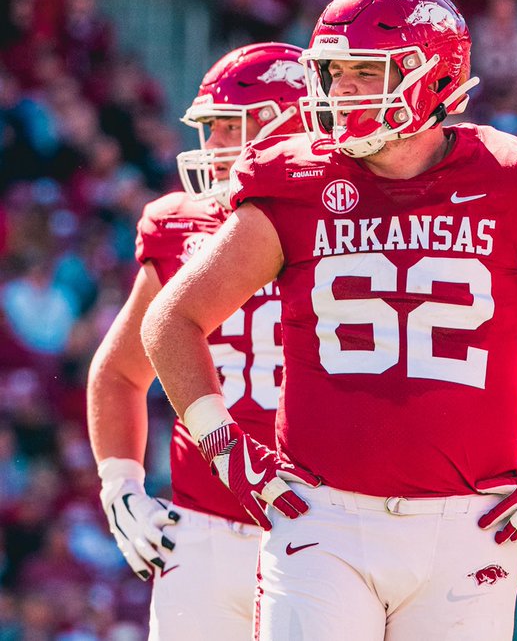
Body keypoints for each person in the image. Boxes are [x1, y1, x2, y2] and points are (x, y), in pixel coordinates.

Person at [139, 0, 517, 641]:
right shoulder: (295, 180)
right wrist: (222, 442)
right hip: (320, 518)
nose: (343, 91)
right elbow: (172, 319)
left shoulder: (512, 182)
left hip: (469, 524)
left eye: (365, 70)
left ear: (435, 74)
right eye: (333, 73)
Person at [86, 42, 307, 640]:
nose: (210, 150)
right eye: (208, 130)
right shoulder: (181, 225)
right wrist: (121, 486)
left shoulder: (346, 219)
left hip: (321, 527)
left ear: (289, 122)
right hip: (204, 526)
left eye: (226, 129)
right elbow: (121, 372)